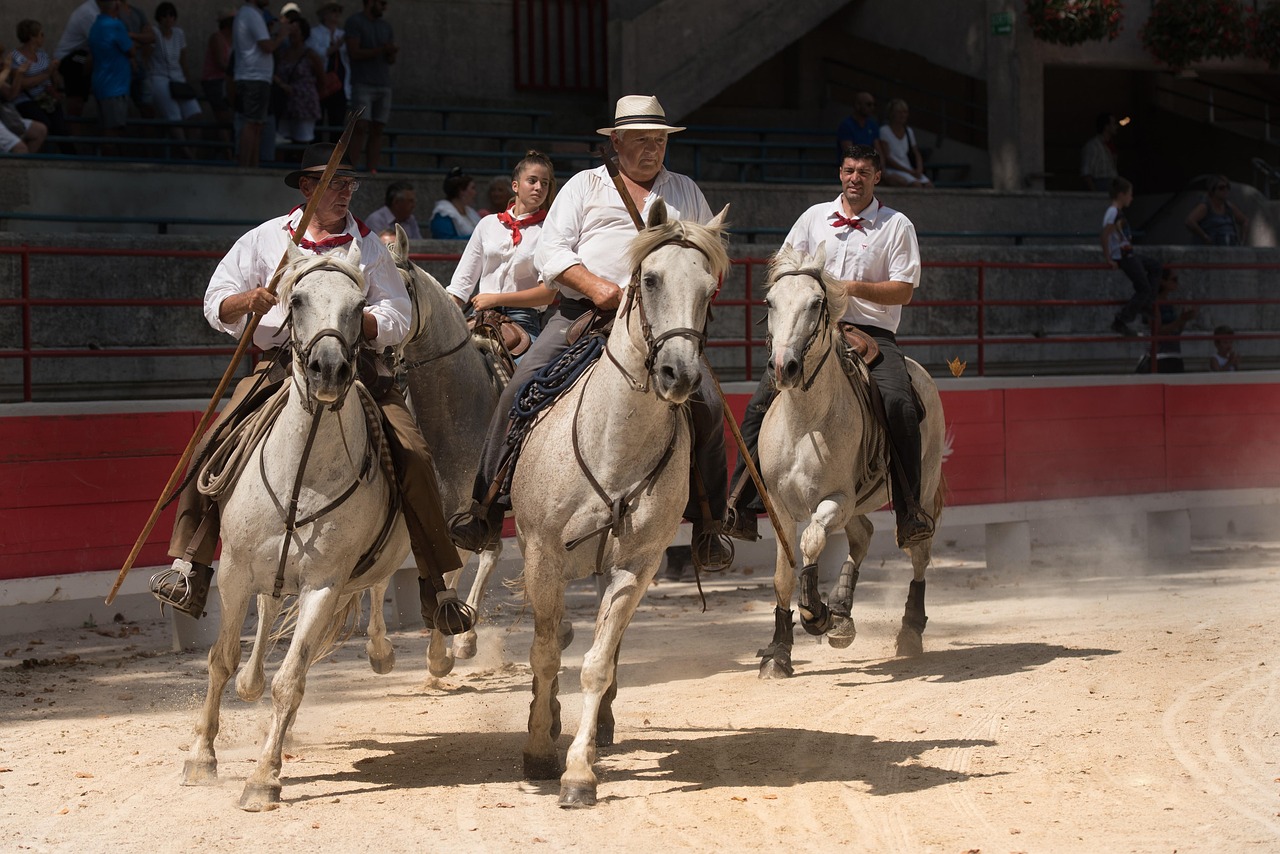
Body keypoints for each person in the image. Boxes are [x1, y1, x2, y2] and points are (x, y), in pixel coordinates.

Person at [149, 142, 472, 636]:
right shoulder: (263, 239)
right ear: (307, 188)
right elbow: (215, 302)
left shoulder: (367, 245)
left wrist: (355, 323)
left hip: (357, 366)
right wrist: (246, 301)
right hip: (281, 364)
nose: (345, 193)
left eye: (349, 184)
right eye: (334, 184)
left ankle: (436, 583)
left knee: (414, 453)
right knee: (213, 442)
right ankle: (189, 565)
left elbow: (399, 315)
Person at [448, 94, 733, 572]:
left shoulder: (687, 192)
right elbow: (552, 253)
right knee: (521, 387)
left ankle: (709, 524)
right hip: (585, 316)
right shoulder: (584, 187)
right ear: (616, 141)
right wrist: (597, 286)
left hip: (662, 324)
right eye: (641, 140)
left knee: (707, 403)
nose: (652, 149)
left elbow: (713, 256)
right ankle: (485, 505)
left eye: (659, 140)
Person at [724, 143, 931, 548]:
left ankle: (910, 510)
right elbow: (782, 268)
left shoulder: (896, 225)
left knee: (899, 403)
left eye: (864, 172)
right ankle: (742, 504)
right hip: (811, 330)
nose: (855, 178)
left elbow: (904, 291)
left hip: (872, 333)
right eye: (849, 170)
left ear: (877, 178)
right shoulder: (813, 218)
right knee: (759, 405)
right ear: (840, 173)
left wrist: (850, 288)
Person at [445, 151, 558, 340]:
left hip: (523, 319)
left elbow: (546, 295)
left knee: (527, 369)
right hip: (480, 316)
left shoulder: (549, 231)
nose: (539, 187)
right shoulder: (487, 224)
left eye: (544, 183)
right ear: (515, 185)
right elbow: (460, 285)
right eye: (532, 181)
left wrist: (495, 299)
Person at [1102, 176, 1161, 338]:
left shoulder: (1117, 212)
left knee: (1155, 266)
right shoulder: (1113, 212)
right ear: (1121, 195)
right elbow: (1104, 236)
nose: (1131, 198)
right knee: (1144, 288)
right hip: (1124, 256)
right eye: (1129, 194)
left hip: (1129, 253)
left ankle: (1146, 304)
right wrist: (1109, 259)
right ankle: (1121, 320)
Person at [344, 0, 396, 173]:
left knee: (378, 128)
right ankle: (351, 169)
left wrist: (390, 52)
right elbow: (354, 51)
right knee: (360, 127)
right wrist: (381, 50)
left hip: (383, 83)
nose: (384, 7)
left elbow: (390, 59)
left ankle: (372, 169)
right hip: (363, 82)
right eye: (381, 3)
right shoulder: (355, 22)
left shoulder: (386, 27)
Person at [232, 0, 284, 167]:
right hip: (253, 78)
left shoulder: (250, 14)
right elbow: (267, 46)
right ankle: (245, 168)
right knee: (252, 123)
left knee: (257, 125)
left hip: (257, 78)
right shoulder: (251, 14)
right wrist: (283, 35)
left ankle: (252, 168)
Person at [146, 2, 200, 154]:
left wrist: (187, 80)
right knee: (174, 116)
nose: (168, 19)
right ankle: (185, 153)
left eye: (171, 15)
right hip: (159, 77)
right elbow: (146, 57)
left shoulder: (179, 34)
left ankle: (193, 150)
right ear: (159, 18)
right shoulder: (154, 33)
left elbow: (183, 59)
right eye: (164, 15)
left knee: (195, 113)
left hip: (178, 78)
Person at [10, 20, 71, 147]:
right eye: (41, 34)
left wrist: (54, 73)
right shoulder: (16, 56)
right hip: (26, 100)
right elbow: (21, 83)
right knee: (44, 123)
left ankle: (71, 158)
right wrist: (46, 74)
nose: (43, 37)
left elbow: (51, 79)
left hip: (45, 98)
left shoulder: (42, 54)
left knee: (61, 128)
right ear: (32, 37)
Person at [87, 0, 134, 146]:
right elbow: (131, 50)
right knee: (113, 131)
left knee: (108, 128)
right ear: (116, 7)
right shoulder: (115, 25)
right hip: (115, 87)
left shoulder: (95, 26)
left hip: (101, 83)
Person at [272, 14, 323, 145]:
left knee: (303, 139)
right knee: (282, 139)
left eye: (296, 30)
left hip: (305, 104)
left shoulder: (310, 54)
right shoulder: (282, 54)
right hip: (285, 103)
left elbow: (322, 77)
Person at [1139, 269, 1196, 374]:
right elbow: (1157, 331)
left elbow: (1175, 331)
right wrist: (1181, 319)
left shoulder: (1168, 303)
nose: (1177, 283)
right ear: (1162, 282)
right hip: (1158, 357)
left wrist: (1185, 317)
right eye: (1174, 280)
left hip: (1173, 355)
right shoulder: (1152, 303)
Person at [305, 1, 346, 142]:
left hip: (340, 86)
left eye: (338, 11)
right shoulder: (314, 33)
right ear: (324, 14)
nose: (336, 14)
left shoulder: (343, 34)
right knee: (318, 123)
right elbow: (316, 55)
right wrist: (336, 47)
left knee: (338, 124)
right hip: (320, 83)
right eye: (333, 10)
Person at [52, 0, 99, 119]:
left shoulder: (102, 11)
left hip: (81, 56)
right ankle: (74, 125)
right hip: (68, 58)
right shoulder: (89, 13)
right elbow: (101, 42)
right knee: (93, 58)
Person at [0, 48, 49, 154]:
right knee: (20, 148)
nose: (2, 61)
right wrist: (6, 70)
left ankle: (21, 168)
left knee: (39, 131)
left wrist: (19, 74)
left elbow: (11, 95)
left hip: (4, 118)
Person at [877, 98, 931, 188]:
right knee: (915, 185)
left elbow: (916, 152)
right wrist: (909, 172)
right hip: (894, 169)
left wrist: (919, 169)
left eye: (905, 112)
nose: (903, 115)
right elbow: (888, 157)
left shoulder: (908, 131)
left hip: (909, 169)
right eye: (899, 112)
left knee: (929, 185)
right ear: (892, 114)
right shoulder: (884, 131)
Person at [200, 8, 235, 136]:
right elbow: (221, 63)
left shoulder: (234, 39)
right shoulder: (217, 38)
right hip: (214, 80)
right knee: (223, 116)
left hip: (228, 81)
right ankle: (227, 152)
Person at [1185, 176, 1249, 246]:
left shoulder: (1229, 207)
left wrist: (1242, 241)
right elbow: (1190, 221)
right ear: (1213, 190)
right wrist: (1205, 237)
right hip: (1212, 248)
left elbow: (1244, 221)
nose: (1225, 190)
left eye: (1227, 187)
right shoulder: (1206, 206)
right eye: (1221, 188)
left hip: (1229, 247)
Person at [429, 167, 481, 239]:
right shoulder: (443, 213)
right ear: (461, 191)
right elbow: (445, 241)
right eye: (472, 188)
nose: (475, 193)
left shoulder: (470, 212)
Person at [1081, 112, 1119, 191]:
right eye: (1113, 123)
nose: (1116, 126)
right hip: (1100, 186)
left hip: (1112, 186)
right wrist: (1095, 193)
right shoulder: (1093, 146)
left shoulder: (1110, 146)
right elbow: (1086, 172)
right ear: (1106, 126)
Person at [835, 91, 879, 157]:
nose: (872, 107)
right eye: (869, 104)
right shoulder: (846, 126)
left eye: (874, 105)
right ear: (857, 105)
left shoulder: (872, 125)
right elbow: (849, 153)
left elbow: (878, 150)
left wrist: (881, 166)